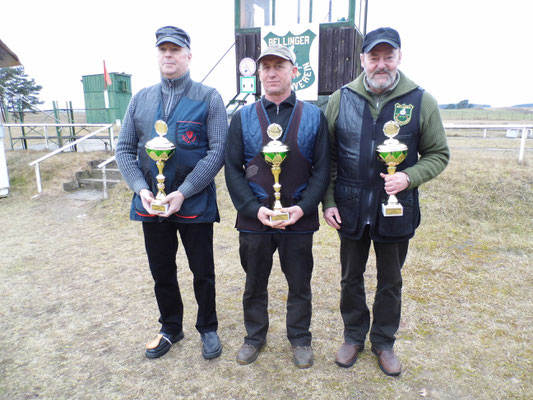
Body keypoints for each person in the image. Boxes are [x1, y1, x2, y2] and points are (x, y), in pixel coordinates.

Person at [323, 27, 450, 376]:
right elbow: (329, 156)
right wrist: (329, 199)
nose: (381, 64)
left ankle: (383, 342)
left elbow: (438, 154)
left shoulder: (421, 101)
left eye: (387, 56)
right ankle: (352, 336)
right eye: (374, 57)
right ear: (363, 59)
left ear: (399, 58)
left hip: (398, 208)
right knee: (350, 278)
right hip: (348, 207)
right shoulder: (340, 98)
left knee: (390, 281)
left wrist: (409, 176)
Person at [115, 26, 227, 360]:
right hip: (152, 203)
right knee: (162, 270)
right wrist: (141, 188)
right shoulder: (141, 98)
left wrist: (185, 190)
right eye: (163, 49)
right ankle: (170, 328)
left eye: (175, 49)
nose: (168, 55)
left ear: (188, 56)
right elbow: (124, 149)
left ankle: (207, 327)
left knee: (202, 271)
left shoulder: (209, 97)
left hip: (194, 201)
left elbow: (217, 150)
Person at [225, 44, 330, 368]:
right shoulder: (242, 117)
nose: (272, 72)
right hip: (255, 219)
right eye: (266, 66)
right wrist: (252, 208)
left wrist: (303, 207)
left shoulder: (314, 116)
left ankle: (300, 338)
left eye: (279, 66)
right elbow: (232, 168)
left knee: (300, 284)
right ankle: (254, 337)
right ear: (259, 74)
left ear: (293, 72)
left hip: (298, 218)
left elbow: (323, 168)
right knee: (254, 282)